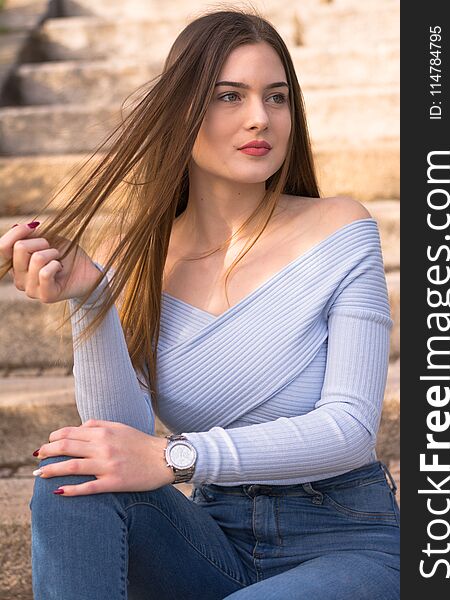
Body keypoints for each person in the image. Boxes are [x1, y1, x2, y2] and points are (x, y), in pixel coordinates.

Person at [0, 8, 399, 599]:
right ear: (182, 111)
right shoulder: (136, 258)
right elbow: (119, 435)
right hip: (213, 542)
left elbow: (349, 429)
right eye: (229, 96)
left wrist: (176, 456)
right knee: (76, 470)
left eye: (277, 97)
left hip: (346, 540)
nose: (260, 117)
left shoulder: (339, 229)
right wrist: (91, 299)